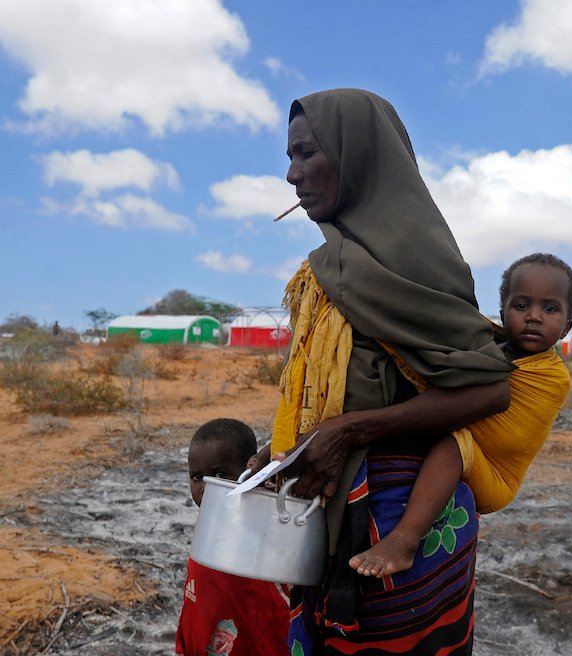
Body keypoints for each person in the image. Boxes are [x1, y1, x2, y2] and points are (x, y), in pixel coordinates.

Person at [259, 89, 514, 655]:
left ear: (359, 155)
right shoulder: (329, 263)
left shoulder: (414, 255)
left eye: (305, 153)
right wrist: (275, 451)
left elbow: (490, 389)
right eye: (288, 158)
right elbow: (323, 388)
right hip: (331, 513)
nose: (291, 174)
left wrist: (351, 432)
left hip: (405, 528)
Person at [349, 253, 572, 578]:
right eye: (521, 305)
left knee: (454, 442)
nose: (534, 317)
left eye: (550, 309)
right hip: (472, 446)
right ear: (502, 312)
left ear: (567, 326)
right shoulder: (488, 349)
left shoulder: (552, 378)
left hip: (496, 474)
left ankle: (404, 540)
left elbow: (488, 419)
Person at [176, 418, 290, 656]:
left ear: (251, 470)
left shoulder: (267, 526)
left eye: (220, 474)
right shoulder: (206, 529)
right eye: (197, 477)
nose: (207, 487)